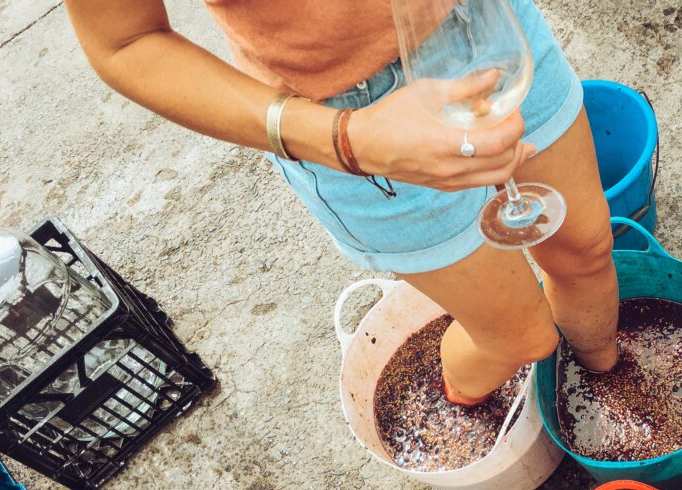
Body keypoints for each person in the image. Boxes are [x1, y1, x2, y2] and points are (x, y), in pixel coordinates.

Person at [66, 0, 619, 405]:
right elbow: (123, 41)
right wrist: (346, 140)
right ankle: (460, 405)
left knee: (588, 250)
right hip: (345, 111)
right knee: (519, 339)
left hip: (488, 28)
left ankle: (610, 382)